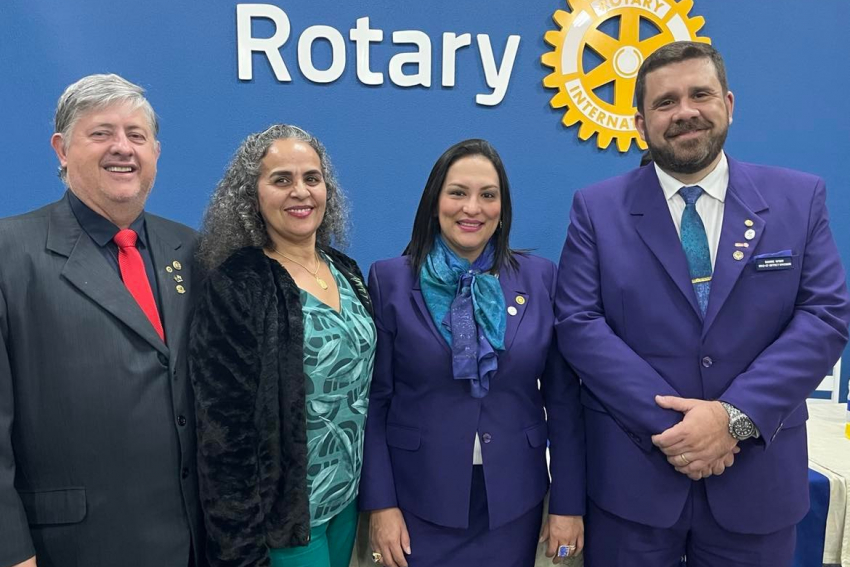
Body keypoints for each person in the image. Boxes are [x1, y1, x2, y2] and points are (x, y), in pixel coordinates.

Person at [555, 41, 850, 567]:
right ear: (640, 123)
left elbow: (824, 316)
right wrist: (680, 430)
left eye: (700, 94)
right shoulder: (596, 209)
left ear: (729, 104)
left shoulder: (799, 199)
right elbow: (579, 324)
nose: (685, 111)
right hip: (633, 489)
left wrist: (732, 418)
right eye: (665, 102)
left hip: (757, 488)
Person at [0, 74, 204, 567]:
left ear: (156, 151)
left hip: (196, 545)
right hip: (70, 549)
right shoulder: (9, 253)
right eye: (101, 133)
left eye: (137, 135)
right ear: (61, 149)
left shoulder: (192, 249)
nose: (123, 148)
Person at [360, 139, 585, 567]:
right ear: (434, 202)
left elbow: (563, 400)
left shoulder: (540, 279)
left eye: (488, 195)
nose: (472, 208)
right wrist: (380, 506)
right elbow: (375, 402)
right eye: (458, 193)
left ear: (503, 208)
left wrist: (567, 503)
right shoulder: (389, 280)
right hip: (418, 497)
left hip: (514, 498)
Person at [189, 124, 375, 567]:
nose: (301, 192)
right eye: (281, 179)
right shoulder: (238, 283)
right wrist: (240, 548)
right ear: (251, 195)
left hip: (345, 500)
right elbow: (223, 433)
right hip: (285, 521)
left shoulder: (346, 269)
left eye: (312, 178)